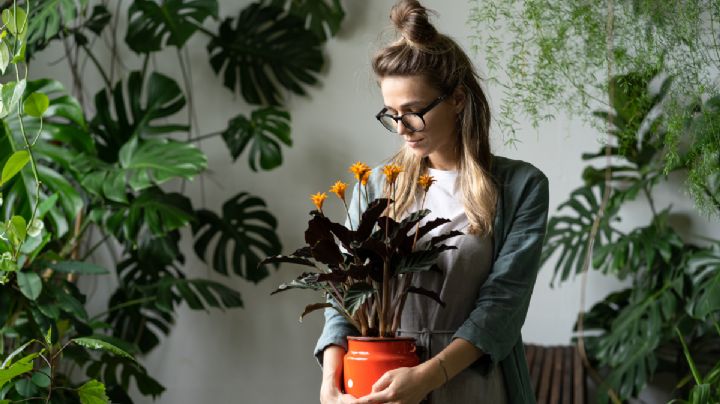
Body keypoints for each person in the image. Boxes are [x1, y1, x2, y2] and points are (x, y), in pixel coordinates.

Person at [315, 1, 549, 403]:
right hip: (379, 384)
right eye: (390, 114)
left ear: (457, 100)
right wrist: (330, 383)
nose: (402, 128)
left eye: (414, 112)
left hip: (472, 384)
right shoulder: (374, 186)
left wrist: (428, 376)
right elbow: (344, 291)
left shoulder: (520, 187)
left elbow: (502, 307)